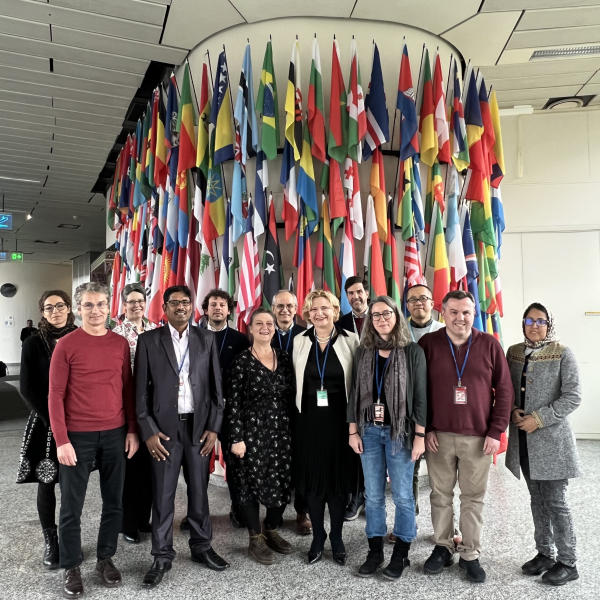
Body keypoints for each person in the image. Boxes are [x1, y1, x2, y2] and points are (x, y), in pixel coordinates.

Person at [48, 282, 139, 598]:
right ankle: (71, 565)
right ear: (78, 309)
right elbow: (55, 394)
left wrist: (131, 430)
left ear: (109, 306)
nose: (96, 310)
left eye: (101, 304)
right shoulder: (66, 345)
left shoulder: (118, 344)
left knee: (114, 502)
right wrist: (62, 439)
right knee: (72, 506)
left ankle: (105, 558)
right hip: (77, 436)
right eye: (88, 305)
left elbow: (127, 389)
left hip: (115, 433)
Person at [135, 285, 229, 589]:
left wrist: (214, 428)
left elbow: (217, 390)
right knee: (163, 495)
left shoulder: (206, 338)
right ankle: (161, 555)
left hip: (199, 428)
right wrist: (148, 431)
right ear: (165, 307)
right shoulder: (148, 340)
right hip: (164, 431)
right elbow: (140, 394)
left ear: (192, 307)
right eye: (174, 303)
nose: (181, 307)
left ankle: (202, 547)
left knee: (200, 491)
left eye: (186, 303)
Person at [419, 290, 513, 584]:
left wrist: (496, 430)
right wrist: (426, 429)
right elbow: (417, 392)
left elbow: (505, 390)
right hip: (439, 436)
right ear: (442, 313)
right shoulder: (428, 344)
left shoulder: (489, 344)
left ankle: (470, 553)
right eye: (454, 312)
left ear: (475, 314)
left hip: (478, 437)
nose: (460, 318)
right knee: (440, 495)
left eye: (466, 313)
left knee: (473, 498)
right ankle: (444, 547)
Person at [348, 296, 427, 581]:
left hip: (401, 434)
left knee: (404, 496)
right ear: (370, 320)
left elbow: (420, 398)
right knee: (373, 495)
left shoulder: (412, 351)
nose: (381, 319)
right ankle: (375, 551)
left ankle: (402, 553)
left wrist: (420, 436)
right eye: (376, 315)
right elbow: (354, 394)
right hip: (368, 431)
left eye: (387, 313)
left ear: (396, 315)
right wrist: (352, 430)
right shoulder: (363, 351)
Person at [506, 303, 581, 586]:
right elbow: (506, 389)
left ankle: (568, 562)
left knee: (556, 503)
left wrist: (539, 419)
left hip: (552, 442)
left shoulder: (563, 353)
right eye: (529, 320)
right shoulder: (513, 352)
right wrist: (513, 410)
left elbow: (572, 397)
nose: (534, 325)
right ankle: (544, 553)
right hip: (523, 443)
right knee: (536, 500)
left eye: (540, 320)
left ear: (549, 324)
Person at [292, 290, 359, 566]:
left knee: (338, 484)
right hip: (307, 423)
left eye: (324, 308)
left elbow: (358, 384)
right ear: (308, 314)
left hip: (341, 424)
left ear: (334, 310)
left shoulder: (351, 340)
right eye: (313, 309)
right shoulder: (299, 341)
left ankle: (337, 538)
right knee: (313, 485)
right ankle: (318, 538)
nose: (319, 313)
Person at [226, 308, 295, 564]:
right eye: (259, 323)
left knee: (280, 481)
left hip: (282, 432)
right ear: (251, 328)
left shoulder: (285, 358)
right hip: (250, 433)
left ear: (275, 327)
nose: (265, 327)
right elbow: (232, 402)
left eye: (269, 323)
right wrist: (236, 438)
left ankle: (271, 529)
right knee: (249, 484)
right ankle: (255, 537)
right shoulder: (242, 361)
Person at [17, 290, 77, 570]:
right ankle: (51, 539)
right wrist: (52, 419)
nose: (55, 311)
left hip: (78, 421)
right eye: (49, 307)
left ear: (69, 308)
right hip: (45, 423)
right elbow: (27, 387)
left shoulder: (81, 336)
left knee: (72, 484)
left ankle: (69, 538)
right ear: (42, 311)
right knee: (47, 481)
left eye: (60, 306)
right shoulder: (32, 343)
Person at [201, 289, 250, 530]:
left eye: (222, 304)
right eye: (213, 304)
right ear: (206, 309)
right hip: (202, 410)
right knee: (198, 463)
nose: (218, 308)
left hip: (231, 409)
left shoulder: (240, 339)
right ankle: (198, 513)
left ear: (229, 310)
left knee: (236, 461)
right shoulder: (194, 336)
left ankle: (238, 507)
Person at [112, 283, 156, 544]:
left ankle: (143, 518)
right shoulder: (117, 335)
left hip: (153, 409)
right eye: (131, 301)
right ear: (124, 304)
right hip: (128, 408)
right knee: (130, 470)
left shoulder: (155, 330)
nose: (137, 305)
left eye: (141, 300)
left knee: (150, 468)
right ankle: (127, 523)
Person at [270, 289, 312, 535]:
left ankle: (302, 511)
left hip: (301, 409)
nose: (284, 310)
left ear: (296, 309)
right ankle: (275, 509)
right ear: (273, 309)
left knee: (302, 460)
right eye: (280, 306)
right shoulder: (263, 333)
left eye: (289, 306)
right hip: (273, 412)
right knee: (276, 462)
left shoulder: (306, 335)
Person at [338, 276, 369, 522]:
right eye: (350, 293)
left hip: (377, 393)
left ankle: (372, 496)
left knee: (373, 446)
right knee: (353, 448)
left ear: (366, 293)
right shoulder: (340, 323)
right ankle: (356, 496)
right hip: (349, 392)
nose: (355, 296)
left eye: (359, 291)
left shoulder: (382, 316)